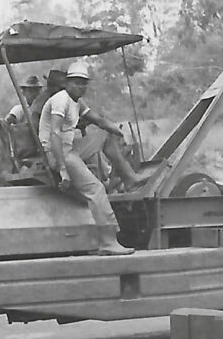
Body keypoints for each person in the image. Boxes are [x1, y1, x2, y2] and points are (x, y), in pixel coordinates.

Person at [38, 61, 149, 255]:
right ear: (67, 82)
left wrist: (121, 133)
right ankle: (108, 242)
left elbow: (98, 120)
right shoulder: (60, 100)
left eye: (84, 83)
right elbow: (54, 134)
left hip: (70, 147)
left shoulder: (76, 102)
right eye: (76, 82)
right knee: (96, 189)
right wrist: (63, 170)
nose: (80, 86)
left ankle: (129, 178)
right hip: (57, 153)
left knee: (105, 135)